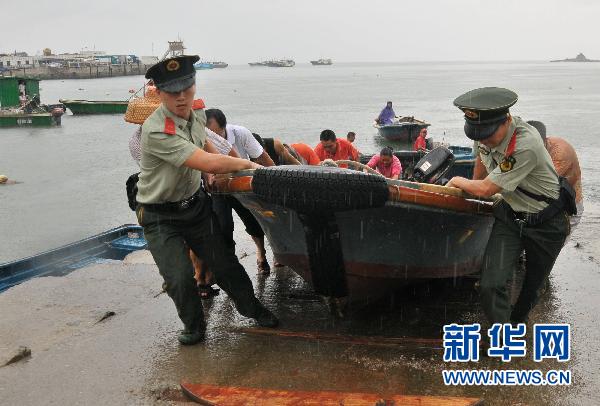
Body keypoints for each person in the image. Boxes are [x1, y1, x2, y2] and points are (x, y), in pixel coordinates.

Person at [136, 55, 278, 345]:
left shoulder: (195, 114)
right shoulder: (157, 130)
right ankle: (194, 326)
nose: (181, 98)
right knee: (179, 278)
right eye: (173, 93)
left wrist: (210, 173)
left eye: (187, 89)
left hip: (195, 207)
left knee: (226, 264)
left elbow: (202, 141)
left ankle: (252, 308)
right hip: (160, 215)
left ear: (194, 86)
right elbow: (206, 161)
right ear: (159, 93)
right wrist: (250, 166)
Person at [446, 87, 571, 326]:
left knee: (531, 290)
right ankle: (502, 336)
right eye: (477, 134)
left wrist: (457, 181)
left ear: (507, 120)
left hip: (547, 222)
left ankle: (517, 324)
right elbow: (481, 163)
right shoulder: (484, 136)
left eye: (487, 134)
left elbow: (486, 189)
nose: (482, 139)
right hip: (510, 217)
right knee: (490, 285)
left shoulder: (526, 144)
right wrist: (473, 187)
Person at [205, 108, 274, 274]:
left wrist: (276, 178)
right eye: (209, 133)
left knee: (253, 221)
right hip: (219, 187)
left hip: (241, 182)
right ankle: (230, 265)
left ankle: (261, 252)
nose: (213, 137)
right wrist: (208, 176)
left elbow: (261, 156)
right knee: (223, 226)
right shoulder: (203, 137)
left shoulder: (240, 133)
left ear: (224, 127)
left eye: (216, 133)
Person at [527, 120, 584, 221]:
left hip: (569, 205)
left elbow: (543, 183)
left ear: (541, 140)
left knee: (559, 235)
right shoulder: (529, 148)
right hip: (546, 203)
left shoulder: (560, 153)